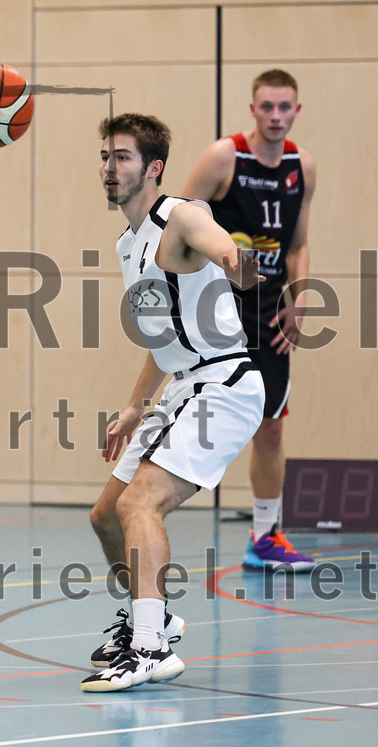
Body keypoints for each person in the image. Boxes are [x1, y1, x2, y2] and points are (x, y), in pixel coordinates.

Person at [83, 113, 265, 693]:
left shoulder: (181, 217)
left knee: (141, 505)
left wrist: (238, 262)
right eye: (106, 157)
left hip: (225, 386)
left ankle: (149, 647)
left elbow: (220, 247)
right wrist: (137, 405)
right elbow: (162, 338)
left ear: (153, 168)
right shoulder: (126, 244)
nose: (111, 168)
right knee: (106, 516)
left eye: (124, 158)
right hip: (183, 385)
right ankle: (154, 616)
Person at [181, 69, 317, 571]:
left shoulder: (302, 165)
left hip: (267, 313)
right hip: (216, 309)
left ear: (296, 110)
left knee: (272, 427)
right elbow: (179, 225)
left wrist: (298, 298)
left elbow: (298, 243)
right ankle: (148, 504)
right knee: (193, 415)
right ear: (253, 109)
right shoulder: (225, 157)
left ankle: (265, 537)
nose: (276, 116)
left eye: (285, 107)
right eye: (267, 107)